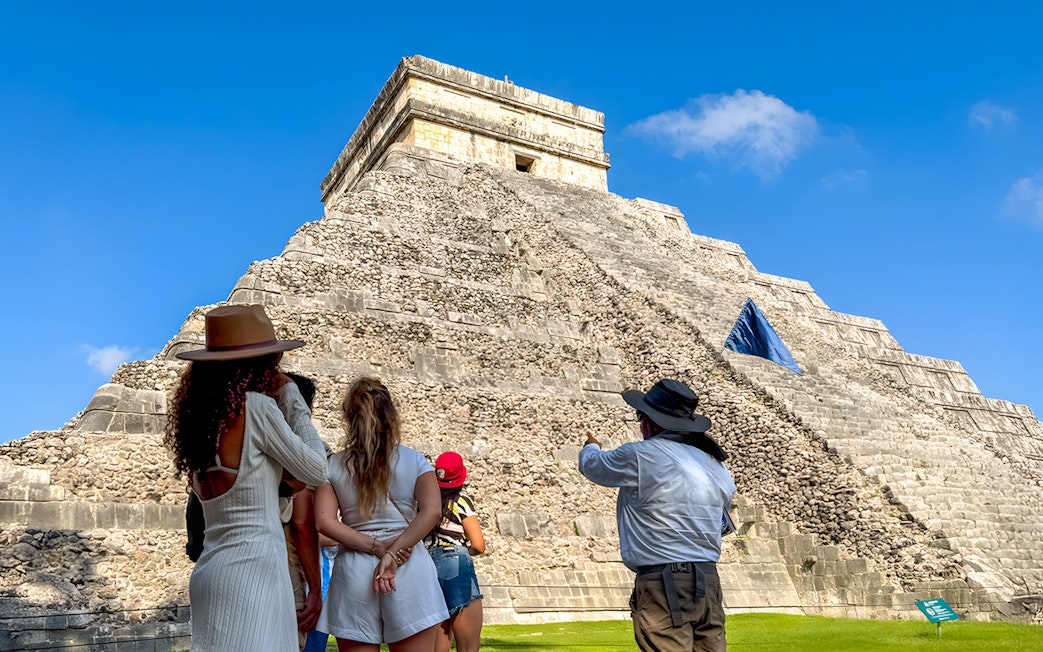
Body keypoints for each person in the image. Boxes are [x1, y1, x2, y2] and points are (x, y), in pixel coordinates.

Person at [165, 304, 329, 652]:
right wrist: (292, 398)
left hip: (212, 572)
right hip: (256, 571)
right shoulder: (256, 407)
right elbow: (318, 468)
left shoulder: (200, 424)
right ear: (259, 364)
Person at [578, 379, 736, 652]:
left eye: (641, 417)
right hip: (708, 579)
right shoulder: (715, 464)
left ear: (650, 422)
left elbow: (594, 467)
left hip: (665, 582)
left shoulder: (641, 455)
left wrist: (591, 446)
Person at [314, 377, 448, 652]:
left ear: (350, 417)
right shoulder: (414, 460)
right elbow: (432, 510)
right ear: (391, 415)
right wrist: (393, 552)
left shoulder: (333, 465)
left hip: (354, 567)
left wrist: (374, 546)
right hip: (407, 565)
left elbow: (324, 521)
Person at [425, 452, 485, 652]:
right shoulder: (461, 501)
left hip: (426, 563)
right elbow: (478, 545)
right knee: (469, 644)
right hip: (455, 560)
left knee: (438, 640)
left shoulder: (424, 504)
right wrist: (463, 550)